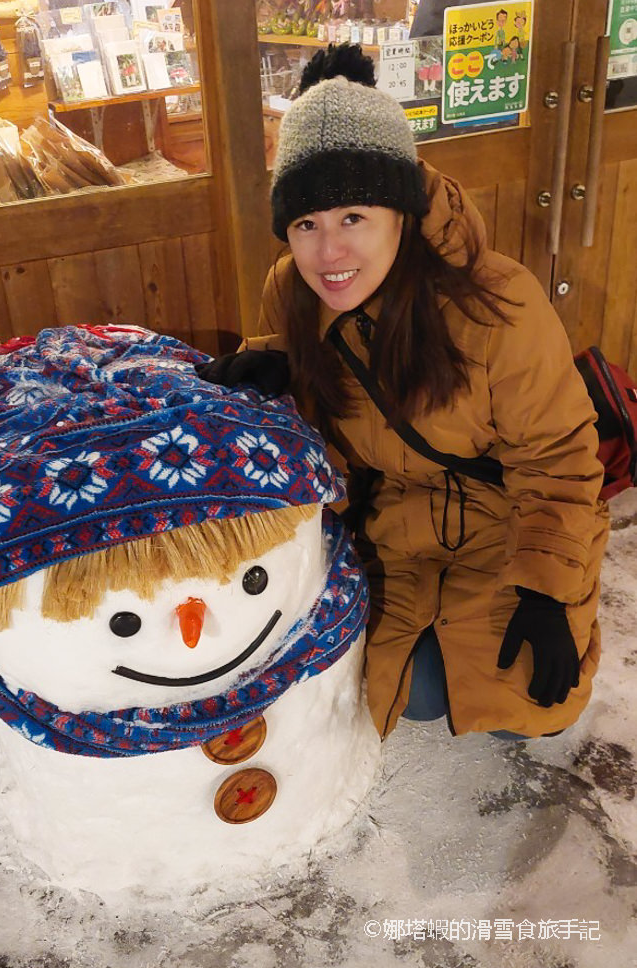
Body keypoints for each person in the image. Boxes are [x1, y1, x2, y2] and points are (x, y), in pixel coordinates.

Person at [197, 44, 609, 741]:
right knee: (397, 690)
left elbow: (560, 459)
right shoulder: (289, 295)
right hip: (390, 526)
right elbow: (319, 426)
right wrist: (271, 374)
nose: (329, 254)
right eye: (307, 225)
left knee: (518, 703)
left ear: (400, 213)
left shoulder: (495, 303)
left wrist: (547, 587)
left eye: (352, 217)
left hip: (501, 517)